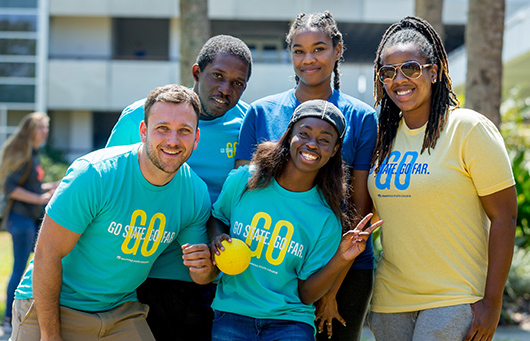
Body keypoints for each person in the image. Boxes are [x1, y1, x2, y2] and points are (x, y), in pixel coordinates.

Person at [10, 84, 217, 340]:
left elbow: (201, 275)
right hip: (53, 305)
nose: (173, 141)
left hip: (120, 312)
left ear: (196, 138)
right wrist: (50, 336)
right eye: (162, 128)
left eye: (184, 131)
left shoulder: (195, 193)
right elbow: (46, 252)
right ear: (144, 131)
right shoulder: (95, 174)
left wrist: (207, 268)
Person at [367, 16, 517, 341]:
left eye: (410, 68)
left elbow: (504, 216)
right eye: (388, 72)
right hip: (390, 300)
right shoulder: (382, 139)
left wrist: (492, 302)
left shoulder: (468, 129)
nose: (399, 79)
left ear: (433, 72)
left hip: (454, 298)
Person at [235, 11, 378, 340]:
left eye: (319, 49)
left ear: (337, 50)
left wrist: (330, 290)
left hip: (344, 270)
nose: (308, 59)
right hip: (269, 266)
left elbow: (357, 210)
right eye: (298, 51)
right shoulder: (261, 112)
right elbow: (242, 196)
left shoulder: (362, 117)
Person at [106, 34, 252, 340]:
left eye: (237, 83)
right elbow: (110, 185)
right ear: (197, 73)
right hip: (139, 269)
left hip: (207, 276)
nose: (226, 89)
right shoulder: (141, 115)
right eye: (218, 76)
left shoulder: (247, 125)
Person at [204, 100, 382, 340]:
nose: (312, 144)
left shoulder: (327, 219)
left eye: (324, 140)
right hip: (233, 313)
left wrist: (341, 257)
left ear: (335, 150)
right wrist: (217, 236)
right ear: (289, 136)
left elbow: (307, 295)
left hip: (290, 322)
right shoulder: (244, 181)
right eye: (304, 134)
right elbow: (217, 217)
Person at [0, 112, 57, 333]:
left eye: (46, 127)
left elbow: (31, 186)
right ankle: (7, 318)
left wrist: (49, 188)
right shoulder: (21, 153)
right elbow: (9, 187)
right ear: (29, 130)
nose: (45, 132)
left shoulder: (33, 153)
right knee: (20, 268)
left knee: (35, 266)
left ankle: (21, 315)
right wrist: (38, 198)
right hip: (19, 219)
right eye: (41, 127)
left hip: (30, 219)